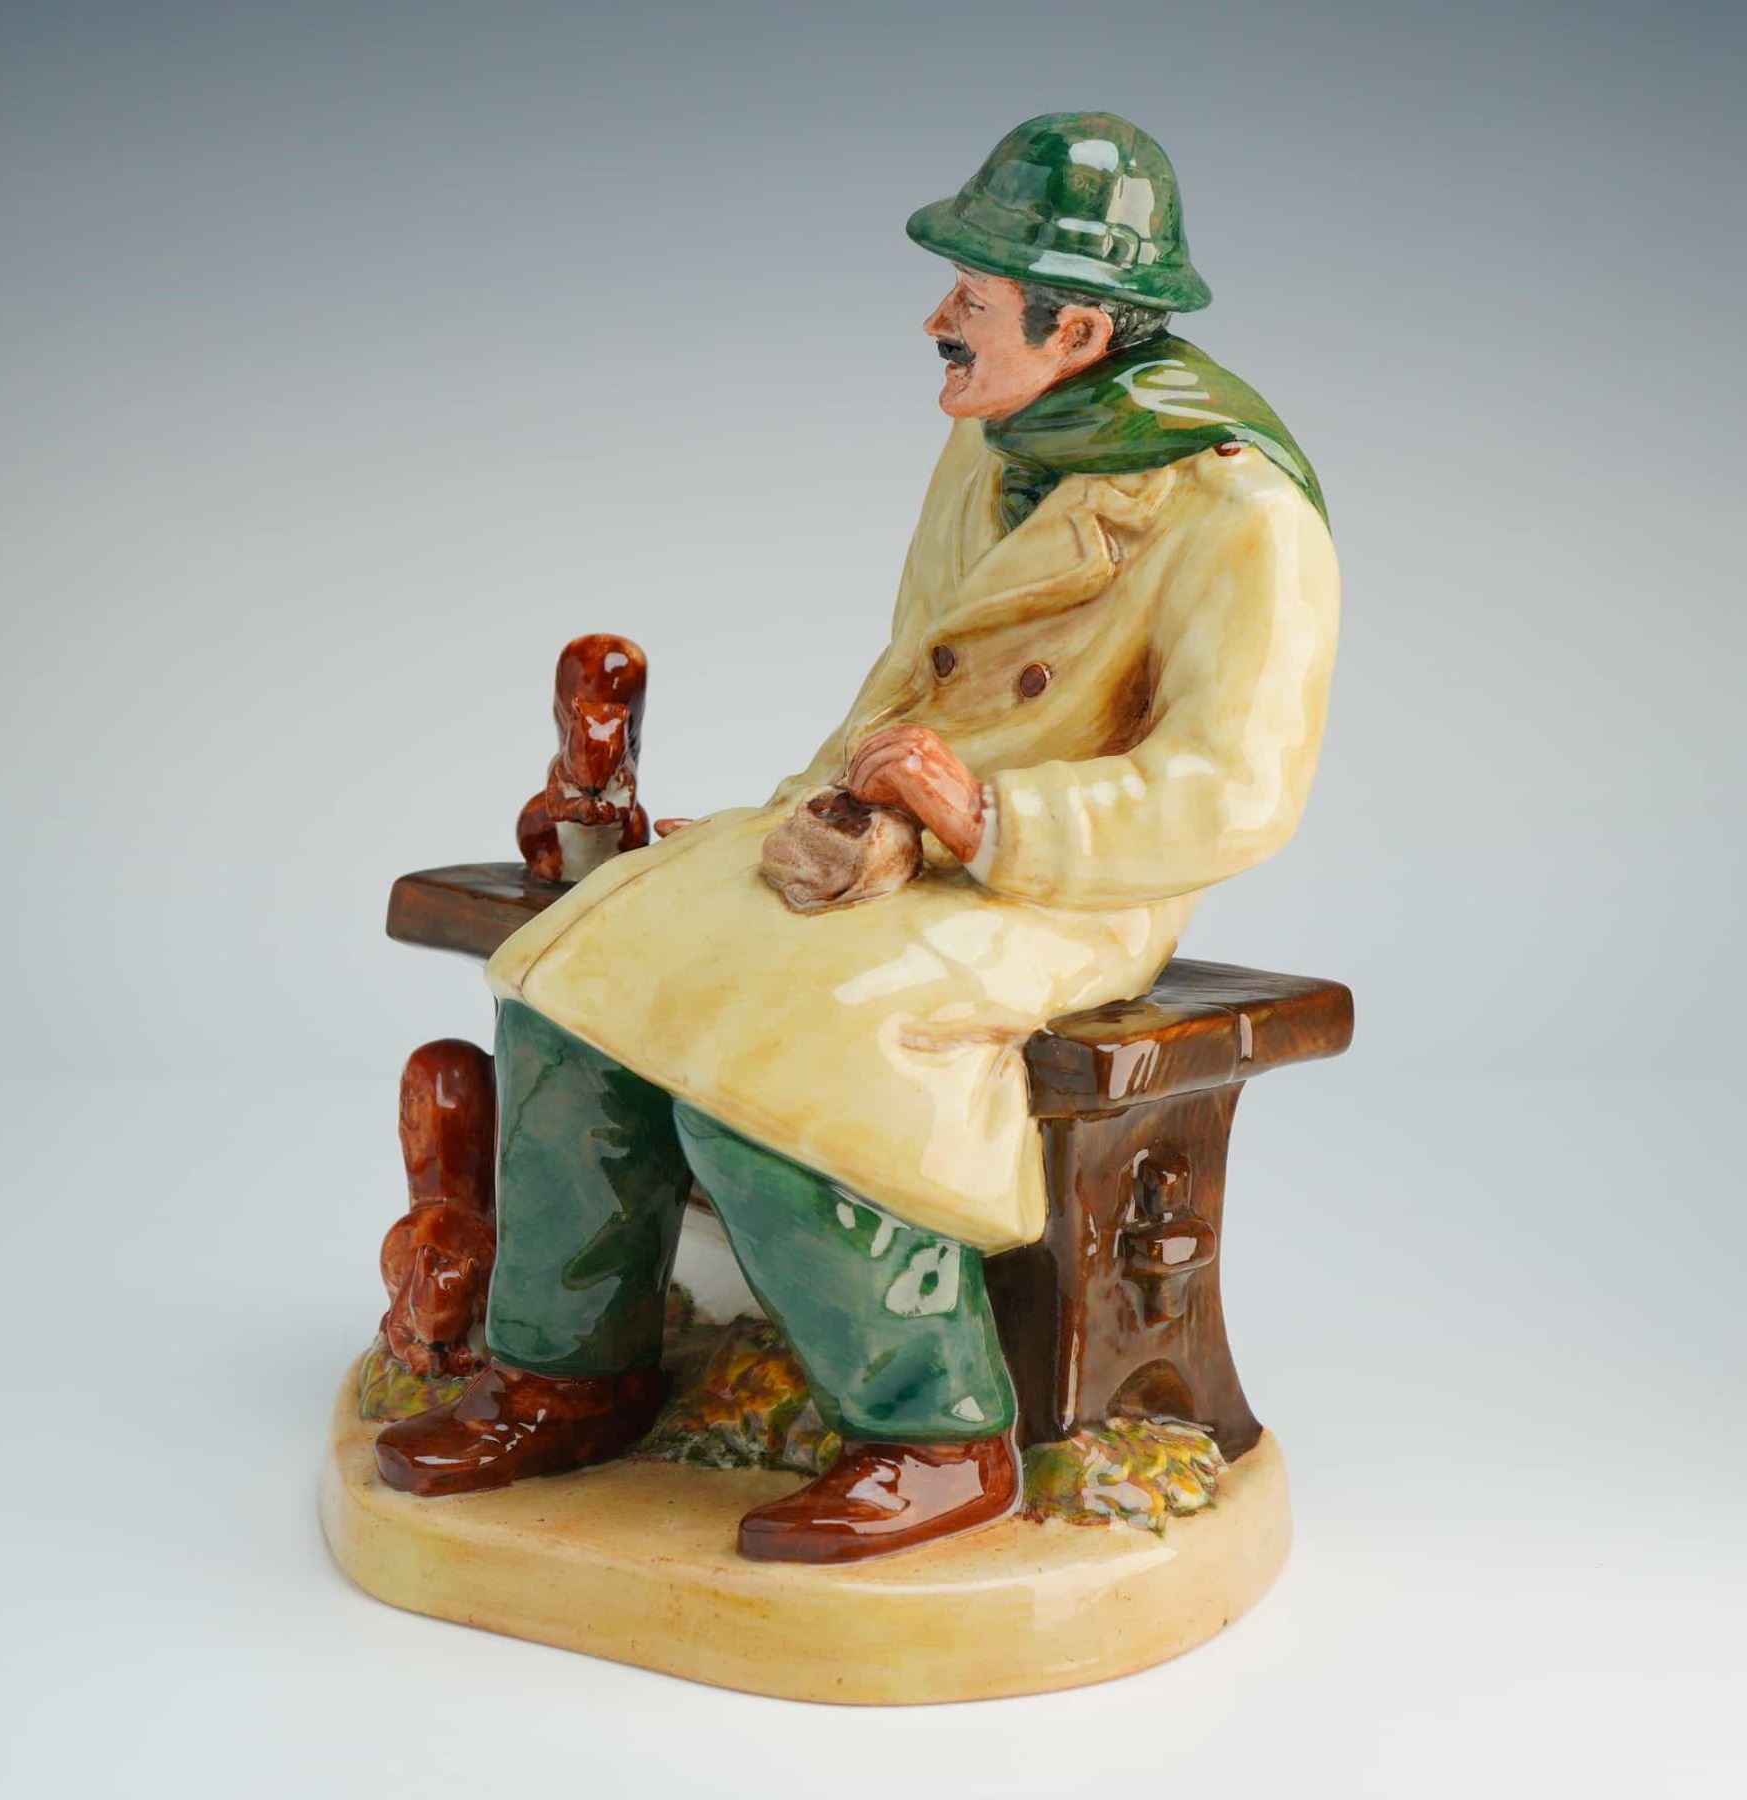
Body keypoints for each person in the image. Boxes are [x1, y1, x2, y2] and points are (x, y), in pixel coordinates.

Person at [375, 112, 1339, 1565]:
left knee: (788, 1046)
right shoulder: (994, 447)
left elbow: (1234, 790)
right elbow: (909, 684)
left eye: (973, 296)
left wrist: (988, 815)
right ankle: (567, 1373)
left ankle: (936, 1436)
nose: (937, 319)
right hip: (900, 837)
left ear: (1075, 327)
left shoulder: (1240, 510)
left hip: (1060, 880)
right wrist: (799, 814)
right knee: (576, 965)